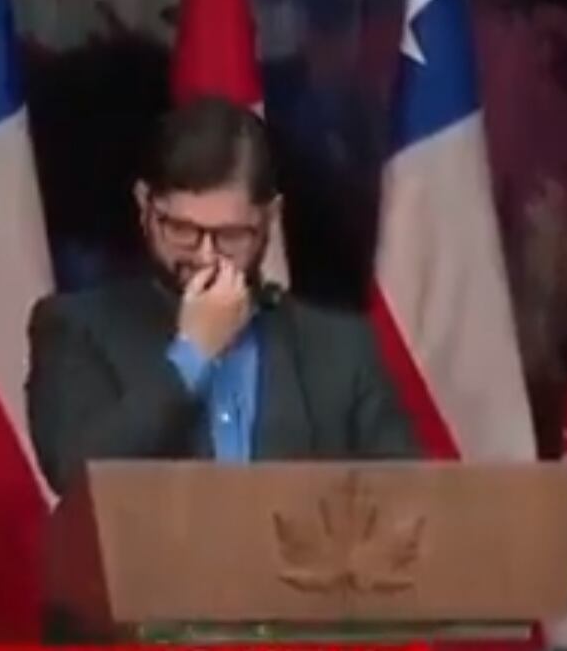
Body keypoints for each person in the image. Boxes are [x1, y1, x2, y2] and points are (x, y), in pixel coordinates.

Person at [25, 96, 418, 494]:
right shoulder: (75, 327)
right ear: (144, 205)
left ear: (270, 217)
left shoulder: (341, 348)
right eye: (181, 230)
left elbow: (407, 499)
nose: (205, 256)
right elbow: (77, 478)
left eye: (231, 235)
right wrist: (191, 355)